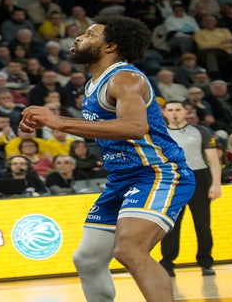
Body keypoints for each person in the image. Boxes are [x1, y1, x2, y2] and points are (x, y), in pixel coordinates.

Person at [21, 16, 194, 302]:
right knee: (88, 259)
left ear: (110, 46)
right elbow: (105, 129)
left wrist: (59, 122)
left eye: (90, 34)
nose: (79, 38)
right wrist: (52, 121)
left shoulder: (125, 78)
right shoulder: (94, 83)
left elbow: (134, 127)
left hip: (158, 172)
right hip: (121, 178)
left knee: (129, 250)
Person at [159, 99, 222, 277]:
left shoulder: (201, 131)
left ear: (185, 112)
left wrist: (216, 184)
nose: (174, 113)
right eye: (170, 110)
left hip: (199, 177)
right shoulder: (160, 133)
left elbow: (214, 160)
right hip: (173, 179)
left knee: (202, 224)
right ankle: (167, 263)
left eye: (178, 109)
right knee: (171, 224)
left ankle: (206, 262)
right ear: (164, 113)